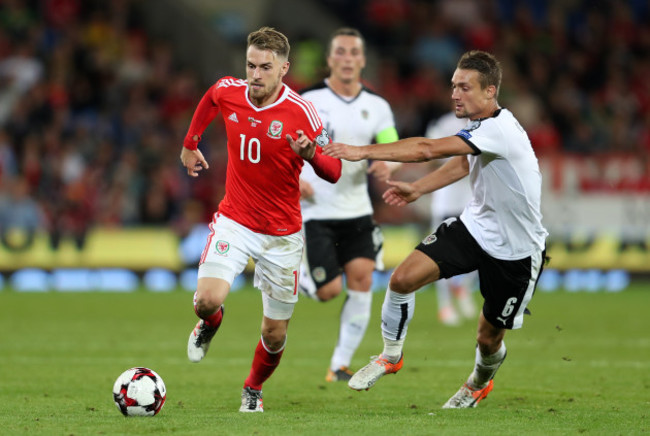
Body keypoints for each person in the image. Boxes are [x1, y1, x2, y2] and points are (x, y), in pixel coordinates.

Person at [323, 50, 548, 408]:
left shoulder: (500, 130)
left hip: (517, 249)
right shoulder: (479, 126)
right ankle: (390, 355)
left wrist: (362, 151)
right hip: (475, 227)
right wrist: (419, 188)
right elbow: (461, 165)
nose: (455, 94)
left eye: (465, 87)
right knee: (401, 280)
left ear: (490, 91)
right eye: (453, 86)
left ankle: (477, 382)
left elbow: (427, 148)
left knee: (488, 340)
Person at [180, 27, 341, 413]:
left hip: (281, 236)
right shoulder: (230, 90)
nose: (255, 74)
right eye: (251, 65)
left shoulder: (301, 112)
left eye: (265, 67)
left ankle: (253, 387)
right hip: (235, 221)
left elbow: (334, 170)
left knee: (274, 333)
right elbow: (210, 99)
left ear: (284, 68)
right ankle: (210, 323)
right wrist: (190, 144)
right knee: (206, 300)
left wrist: (310, 154)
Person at [297, 27, 399, 383]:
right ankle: (296, 277)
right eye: (340, 51)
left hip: (357, 210)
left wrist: (389, 163)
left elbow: (392, 146)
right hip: (316, 211)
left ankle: (339, 365)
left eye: (353, 52)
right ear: (329, 59)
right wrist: (296, 180)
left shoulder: (377, 106)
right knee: (329, 292)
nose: (346, 58)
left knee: (362, 278)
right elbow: (282, 146)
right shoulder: (308, 102)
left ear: (363, 60)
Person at [425, 112, 477, 326]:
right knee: (440, 255)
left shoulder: (486, 124)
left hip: (473, 198)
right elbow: (429, 160)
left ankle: (462, 284)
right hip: (446, 199)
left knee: (481, 251)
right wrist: (456, 159)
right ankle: (444, 307)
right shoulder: (442, 124)